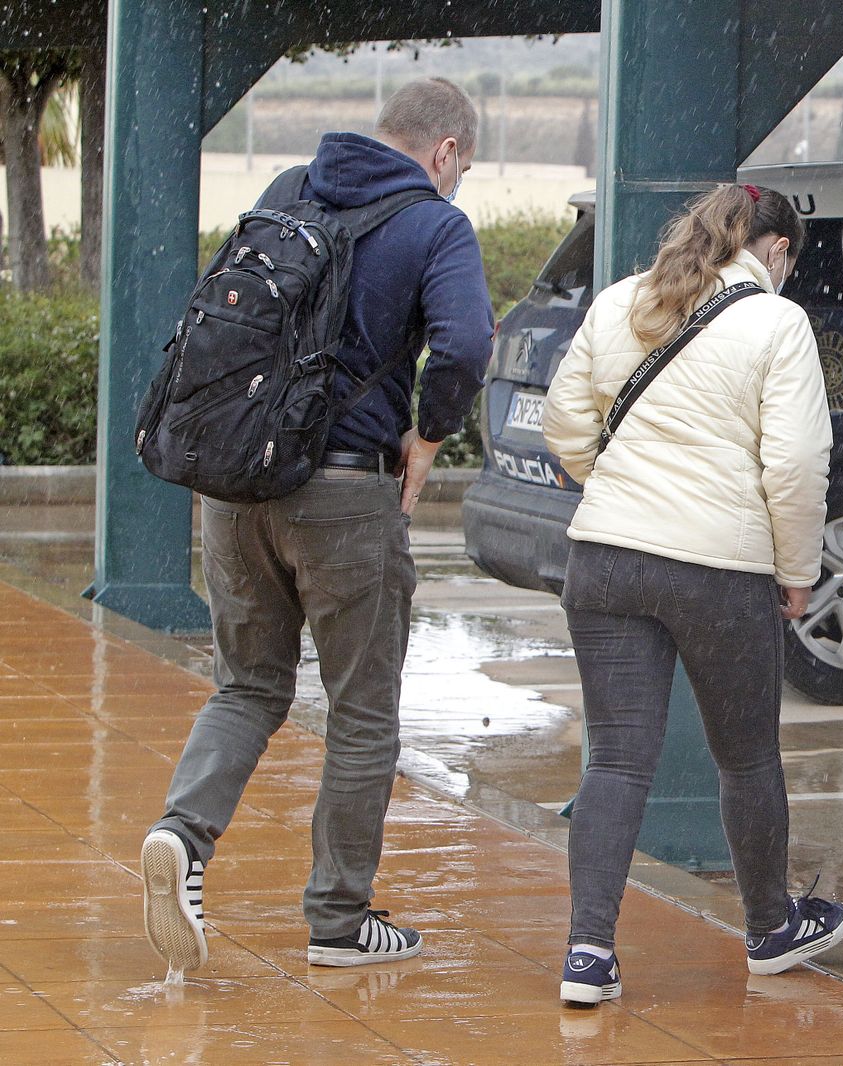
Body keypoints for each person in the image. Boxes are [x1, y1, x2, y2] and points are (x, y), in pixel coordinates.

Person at [140, 77, 494, 972]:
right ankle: (339, 921)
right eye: (462, 169)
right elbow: (462, 347)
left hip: (238, 484)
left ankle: (184, 837)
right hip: (345, 496)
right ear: (446, 151)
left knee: (247, 687)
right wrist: (428, 436)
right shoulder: (435, 225)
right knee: (362, 714)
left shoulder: (288, 189)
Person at [542, 183, 843, 1007]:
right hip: (719, 568)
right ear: (776, 249)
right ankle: (770, 927)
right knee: (745, 755)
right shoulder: (777, 323)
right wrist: (797, 569)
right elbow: (792, 465)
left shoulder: (620, 302)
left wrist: (615, 489)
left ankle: (588, 955)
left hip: (605, 558)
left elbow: (565, 418)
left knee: (613, 758)